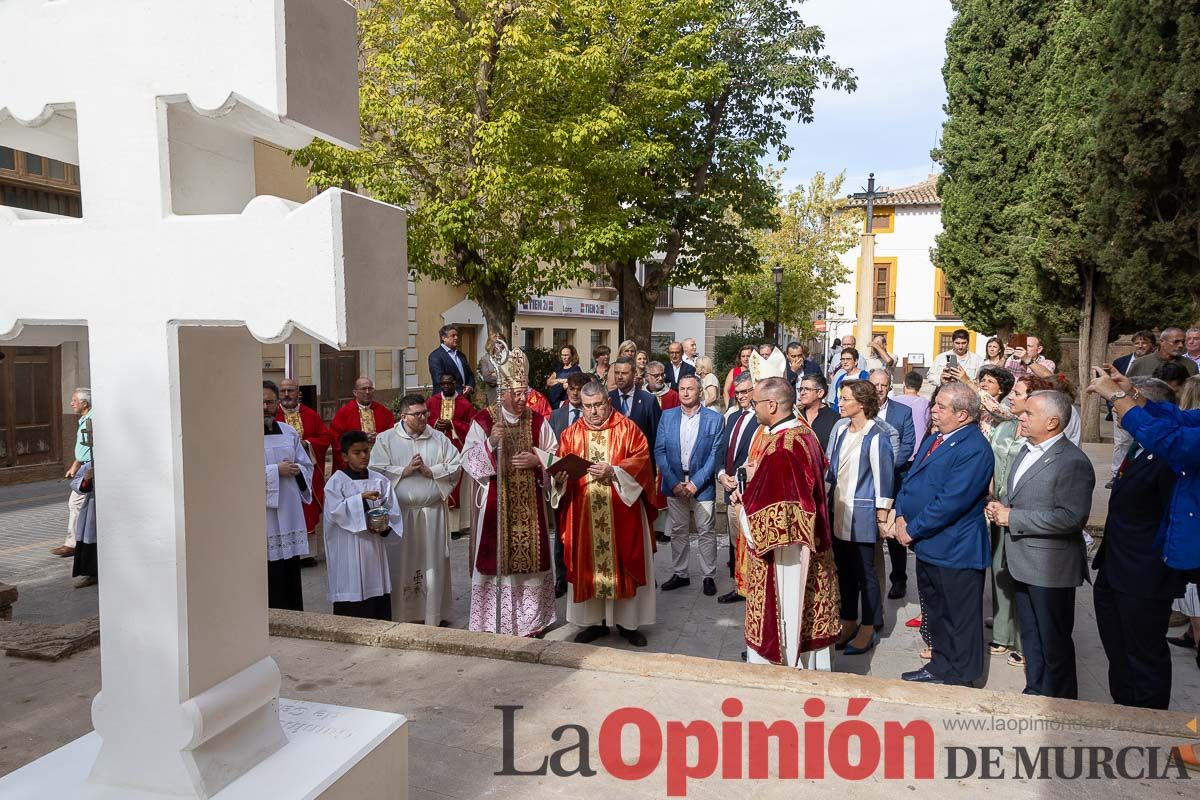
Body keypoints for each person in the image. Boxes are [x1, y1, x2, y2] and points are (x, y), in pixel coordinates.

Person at [985, 391, 1094, 699]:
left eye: (1029, 413)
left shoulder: (1073, 462)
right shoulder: (1026, 449)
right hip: (1021, 563)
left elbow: (1072, 518)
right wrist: (999, 508)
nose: (1021, 415)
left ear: (1052, 422)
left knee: (1054, 641)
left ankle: (1060, 701)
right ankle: (1036, 688)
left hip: (1051, 569)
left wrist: (1013, 517)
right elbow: (1018, 496)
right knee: (1031, 636)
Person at [1091, 378, 1186, 708]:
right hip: (1115, 568)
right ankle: (1124, 712)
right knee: (1118, 652)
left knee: (1144, 656)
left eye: (1117, 408)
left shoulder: (1169, 460)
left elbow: (1169, 519)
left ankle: (1149, 723)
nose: (1116, 416)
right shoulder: (1137, 449)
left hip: (1145, 576)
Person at [892, 382, 994, 686]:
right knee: (935, 611)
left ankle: (962, 675)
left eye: (940, 407)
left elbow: (951, 501)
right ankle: (940, 665)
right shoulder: (937, 438)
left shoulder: (974, 448)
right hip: (929, 544)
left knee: (959, 616)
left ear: (963, 415)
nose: (932, 410)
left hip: (955, 547)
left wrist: (911, 529)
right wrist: (899, 515)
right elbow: (910, 480)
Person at [739, 377, 839, 669]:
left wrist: (745, 501)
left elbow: (778, 515)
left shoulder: (784, 447)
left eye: (755, 402)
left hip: (787, 555)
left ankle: (782, 660)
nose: (751, 407)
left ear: (772, 405)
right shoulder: (804, 435)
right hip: (811, 543)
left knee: (788, 612)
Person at [460, 340, 559, 636]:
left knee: (531, 564)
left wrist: (537, 459)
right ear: (501, 393)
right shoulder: (484, 420)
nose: (521, 399)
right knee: (495, 563)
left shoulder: (538, 420)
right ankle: (493, 623)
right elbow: (467, 461)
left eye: (524, 393)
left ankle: (532, 622)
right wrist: (491, 442)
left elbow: (556, 457)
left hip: (530, 509)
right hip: (495, 505)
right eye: (515, 394)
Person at [552, 382, 659, 647]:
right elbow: (558, 469)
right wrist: (560, 480)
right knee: (588, 565)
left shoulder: (628, 429)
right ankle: (594, 622)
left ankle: (627, 624)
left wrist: (614, 472)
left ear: (608, 402)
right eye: (587, 406)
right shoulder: (571, 435)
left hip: (623, 513)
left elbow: (643, 463)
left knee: (623, 563)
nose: (593, 411)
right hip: (584, 514)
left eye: (598, 404)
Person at [370, 393, 463, 626]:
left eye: (425, 413)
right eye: (417, 414)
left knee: (433, 564)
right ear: (404, 415)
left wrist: (433, 472)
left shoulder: (439, 438)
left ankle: (434, 614)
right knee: (401, 564)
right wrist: (404, 470)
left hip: (432, 515)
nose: (423, 418)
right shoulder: (386, 439)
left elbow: (456, 465)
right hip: (400, 515)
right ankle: (402, 614)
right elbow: (375, 470)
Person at [826, 380, 895, 656]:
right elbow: (833, 471)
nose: (839, 403)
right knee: (844, 570)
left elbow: (884, 478)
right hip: (839, 511)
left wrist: (882, 514)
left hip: (863, 514)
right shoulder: (842, 431)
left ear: (862, 404)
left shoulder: (877, 436)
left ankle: (869, 626)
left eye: (845, 399)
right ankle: (848, 620)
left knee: (866, 573)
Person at [654, 375, 724, 596]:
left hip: (702, 485)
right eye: (682, 388)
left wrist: (695, 483)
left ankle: (708, 576)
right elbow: (660, 451)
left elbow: (715, 455)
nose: (685, 393)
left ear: (700, 391)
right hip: (674, 482)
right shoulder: (667, 417)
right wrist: (674, 482)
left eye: (690, 389)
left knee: (705, 531)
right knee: (678, 530)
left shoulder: (714, 419)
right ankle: (680, 573)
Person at [323, 431, 403, 620]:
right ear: (344, 456)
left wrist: (384, 527)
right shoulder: (337, 481)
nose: (363, 456)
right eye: (356, 452)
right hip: (348, 547)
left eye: (366, 451)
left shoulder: (379, 480)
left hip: (373, 548)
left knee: (375, 585)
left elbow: (393, 510)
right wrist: (360, 499)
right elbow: (334, 512)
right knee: (351, 589)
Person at [985, 371, 1035, 669]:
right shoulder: (1005, 428)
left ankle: (1024, 640)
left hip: (1022, 514)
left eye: (1017, 393)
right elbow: (994, 464)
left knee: (1020, 576)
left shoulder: (1039, 431)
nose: (1011, 397)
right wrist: (990, 498)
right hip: (997, 508)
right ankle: (1002, 633)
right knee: (999, 571)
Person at [262, 380, 315, 611]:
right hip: (264, 515)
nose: (266, 406)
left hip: (289, 508)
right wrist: (275, 471)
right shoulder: (242, 435)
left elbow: (307, 465)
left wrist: (297, 470)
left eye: (270, 402)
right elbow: (237, 473)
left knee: (289, 568)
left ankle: (295, 615)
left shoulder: (289, 432)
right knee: (267, 570)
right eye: (261, 402)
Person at [868, 369, 915, 599]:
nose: (878, 389)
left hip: (894, 479)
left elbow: (908, 445)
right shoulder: (860, 409)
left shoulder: (903, 412)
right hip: (866, 482)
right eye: (874, 384)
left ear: (889, 387)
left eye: (883, 385)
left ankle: (899, 580)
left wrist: (885, 468)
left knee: (895, 532)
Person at [714, 373, 760, 604]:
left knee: (751, 542)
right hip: (730, 489)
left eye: (745, 391)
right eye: (737, 392)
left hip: (750, 493)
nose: (741, 396)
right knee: (735, 541)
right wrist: (722, 475)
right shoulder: (732, 418)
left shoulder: (762, 422)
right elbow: (721, 451)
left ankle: (754, 588)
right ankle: (739, 585)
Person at [549, 371, 592, 597]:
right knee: (561, 533)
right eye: (572, 389)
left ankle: (583, 574)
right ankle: (561, 579)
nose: (575, 393)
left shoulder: (592, 414)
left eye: (579, 389)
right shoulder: (556, 415)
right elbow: (548, 447)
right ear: (567, 389)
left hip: (586, 482)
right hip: (562, 482)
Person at [275, 377, 332, 542]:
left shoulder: (311, 415)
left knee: (308, 509)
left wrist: (306, 444)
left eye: (290, 391)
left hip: (306, 472)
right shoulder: (272, 417)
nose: (286, 394)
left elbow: (324, 437)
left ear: (298, 393)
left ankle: (308, 554)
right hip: (282, 472)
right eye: (283, 391)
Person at [427, 373, 474, 539]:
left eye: (448, 383)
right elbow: (425, 420)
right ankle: (437, 524)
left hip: (456, 448)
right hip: (436, 449)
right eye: (442, 384)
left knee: (455, 485)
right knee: (438, 483)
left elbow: (472, 426)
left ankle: (455, 527)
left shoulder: (464, 403)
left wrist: (452, 424)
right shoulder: (432, 402)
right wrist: (435, 423)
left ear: (455, 383)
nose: (445, 387)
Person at [1110, 330, 1157, 483]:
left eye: (1144, 343)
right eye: (1137, 343)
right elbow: (1111, 384)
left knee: (1141, 441)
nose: (1140, 346)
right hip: (1122, 405)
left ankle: (1136, 473)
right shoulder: (1120, 362)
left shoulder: (1154, 364)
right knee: (1121, 442)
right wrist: (1114, 403)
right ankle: (1116, 474)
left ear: (1152, 346)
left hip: (1145, 407)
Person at [53, 388, 93, 558]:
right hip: (84, 465)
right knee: (81, 504)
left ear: (84, 403)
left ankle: (72, 543)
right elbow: (84, 447)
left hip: (90, 467)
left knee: (76, 503)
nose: (71, 403)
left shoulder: (92, 419)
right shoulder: (84, 419)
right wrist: (75, 464)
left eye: (74, 400)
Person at [329, 376, 396, 471]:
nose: (367, 392)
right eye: (363, 389)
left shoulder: (383, 411)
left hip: (379, 460)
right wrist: (359, 439)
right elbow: (335, 437)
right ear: (355, 393)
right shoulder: (344, 413)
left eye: (370, 388)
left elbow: (392, 434)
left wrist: (379, 437)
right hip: (354, 462)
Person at [609, 357, 661, 455]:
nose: (619, 377)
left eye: (624, 373)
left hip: (642, 460)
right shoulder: (608, 400)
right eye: (616, 373)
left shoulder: (649, 400)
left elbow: (657, 435)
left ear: (634, 373)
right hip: (614, 462)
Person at [1126, 326, 1198, 378]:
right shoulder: (1140, 364)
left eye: (1183, 342)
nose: (1181, 345)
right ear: (1162, 342)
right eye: (1176, 342)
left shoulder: (1190, 365)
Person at [69, 462, 97, 588]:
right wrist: (86, 479)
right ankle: (92, 574)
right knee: (92, 540)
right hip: (94, 506)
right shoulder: (90, 464)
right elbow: (76, 484)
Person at [428, 324, 476, 393]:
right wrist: (461, 390)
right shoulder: (435, 356)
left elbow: (470, 374)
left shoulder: (461, 355)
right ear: (444, 338)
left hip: (464, 398)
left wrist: (470, 387)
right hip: (447, 398)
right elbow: (439, 380)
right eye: (453, 336)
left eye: (457, 335)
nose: (456, 338)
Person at [797, 373, 839, 450]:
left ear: (820, 393)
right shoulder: (795, 415)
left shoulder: (834, 419)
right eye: (801, 389)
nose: (802, 393)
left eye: (807, 389)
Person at [891, 371, 931, 442]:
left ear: (904, 383)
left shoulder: (893, 401)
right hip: (920, 445)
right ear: (920, 386)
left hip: (898, 443)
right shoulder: (926, 403)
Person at [829, 348, 868, 413]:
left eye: (848, 359)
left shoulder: (864, 376)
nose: (845, 362)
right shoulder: (840, 378)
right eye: (843, 359)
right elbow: (837, 399)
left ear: (855, 361)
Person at [545, 344, 582, 408]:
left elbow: (572, 384)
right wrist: (561, 381)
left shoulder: (576, 369)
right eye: (562, 355)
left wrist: (556, 382)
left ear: (572, 356)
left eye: (566, 355)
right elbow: (548, 382)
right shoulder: (559, 368)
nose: (564, 357)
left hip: (567, 402)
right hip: (555, 401)